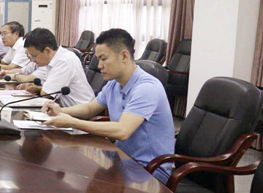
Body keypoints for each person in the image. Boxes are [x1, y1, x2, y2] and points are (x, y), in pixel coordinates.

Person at [42, 28, 176, 182]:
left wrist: (72, 122)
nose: (99, 65)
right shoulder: (114, 84)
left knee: (78, 180)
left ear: (124, 56)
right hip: (123, 159)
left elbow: (122, 130)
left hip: (148, 170)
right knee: (71, 170)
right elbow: (89, 109)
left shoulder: (146, 88)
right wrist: (61, 111)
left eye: (103, 59)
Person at [16, 28, 94, 107]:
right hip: (66, 107)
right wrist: (37, 88)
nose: (32, 60)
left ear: (48, 51)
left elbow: (46, 94)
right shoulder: (54, 59)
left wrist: (40, 89)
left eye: (34, 56)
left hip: (81, 110)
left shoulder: (63, 61)